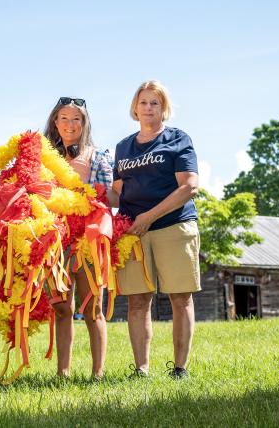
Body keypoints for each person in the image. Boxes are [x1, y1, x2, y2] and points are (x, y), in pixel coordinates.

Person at [113, 80, 200, 380]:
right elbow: (117, 193)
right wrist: (82, 197)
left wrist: (149, 216)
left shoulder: (178, 139)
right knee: (137, 300)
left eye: (155, 102)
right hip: (133, 231)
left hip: (173, 226)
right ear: (134, 108)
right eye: (143, 102)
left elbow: (189, 186)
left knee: (180, 297)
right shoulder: (123, 146)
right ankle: (141, 369)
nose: (148, 108)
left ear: (164, 108)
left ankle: (179, 369)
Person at [43, 96, 116, 380]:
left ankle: (98, 373)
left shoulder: (97, 156)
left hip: (87, 238)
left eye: (76, 119)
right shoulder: (45, 157)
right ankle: (63, 373)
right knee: (62, 308)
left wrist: (94, 193)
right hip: (56, 239)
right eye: (64, 118)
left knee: (92, 307)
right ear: (55, 122)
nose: (70, 124)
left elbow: (112, 197)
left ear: (84, 124)